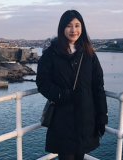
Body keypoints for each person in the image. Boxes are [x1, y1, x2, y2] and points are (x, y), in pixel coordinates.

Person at [36, 10, 108, 160]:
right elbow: (42, 82)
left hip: (85, 119)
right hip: (63, 120)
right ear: (62, 28)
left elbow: (98, 87)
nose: (74, 30)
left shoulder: (89, 54)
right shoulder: (51, 54)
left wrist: (102, 115)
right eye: (69, 26)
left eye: (77, 25)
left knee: (80, 156)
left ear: (82, 28)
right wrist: (62, 94)